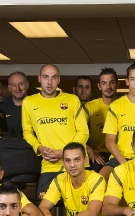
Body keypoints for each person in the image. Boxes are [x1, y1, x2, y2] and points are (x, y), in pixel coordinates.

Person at [22, 64, 89, 200]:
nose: (49, 82)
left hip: (76, 164)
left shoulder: (72, 100)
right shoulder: (29, 102)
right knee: (44, 208)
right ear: (39, 78)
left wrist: (65, 153)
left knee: (81, 207)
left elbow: (83, 131)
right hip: (49, 165)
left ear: (58, 80)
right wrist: (39, 147)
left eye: (54, 77)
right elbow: (27, 132)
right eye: (46, 77)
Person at [39, 142, 105, 216]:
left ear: (85, 161)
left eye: (77, 160)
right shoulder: (60, 179)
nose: (72, 165)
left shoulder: (96, 179)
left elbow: (92, 214)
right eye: (68, 161)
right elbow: (42, 207)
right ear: (63, 163)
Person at [84, 68, 119, 173]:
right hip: (98, 155)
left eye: (111, 82)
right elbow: (74, 131)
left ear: (118, 85)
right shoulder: (90, 107)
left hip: (120, 153)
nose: (108, 87)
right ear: (99, 86)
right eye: (104, 83)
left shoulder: (125, 105)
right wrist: (90, 151)